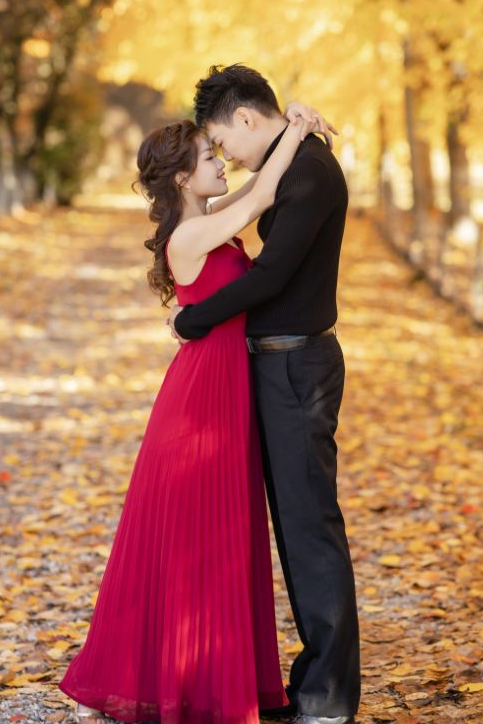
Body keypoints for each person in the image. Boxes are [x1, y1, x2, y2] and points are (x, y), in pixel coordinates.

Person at [59, 104, 325, 723]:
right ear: (181, 177)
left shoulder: (210, 229)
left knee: (225, 534)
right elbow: (262, 195)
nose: (222, 161)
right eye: (210, 157)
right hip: (202, 399)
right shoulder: (191, 234)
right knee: (199, 537)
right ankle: (188, 684)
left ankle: (219, 677)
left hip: (227, 387)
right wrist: (298, 131)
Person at [167, 65, 357, 724]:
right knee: (292, 528)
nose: (227, 156)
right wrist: (298, 118)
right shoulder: (293, 160)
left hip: (297, 368)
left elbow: (272, 275)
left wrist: (195, 318)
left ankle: (327, 699)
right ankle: (310, 681)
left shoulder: (309, 174)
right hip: (272, 367)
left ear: (247, 118)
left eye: (224, 141)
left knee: (309, 528)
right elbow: (249, 194)